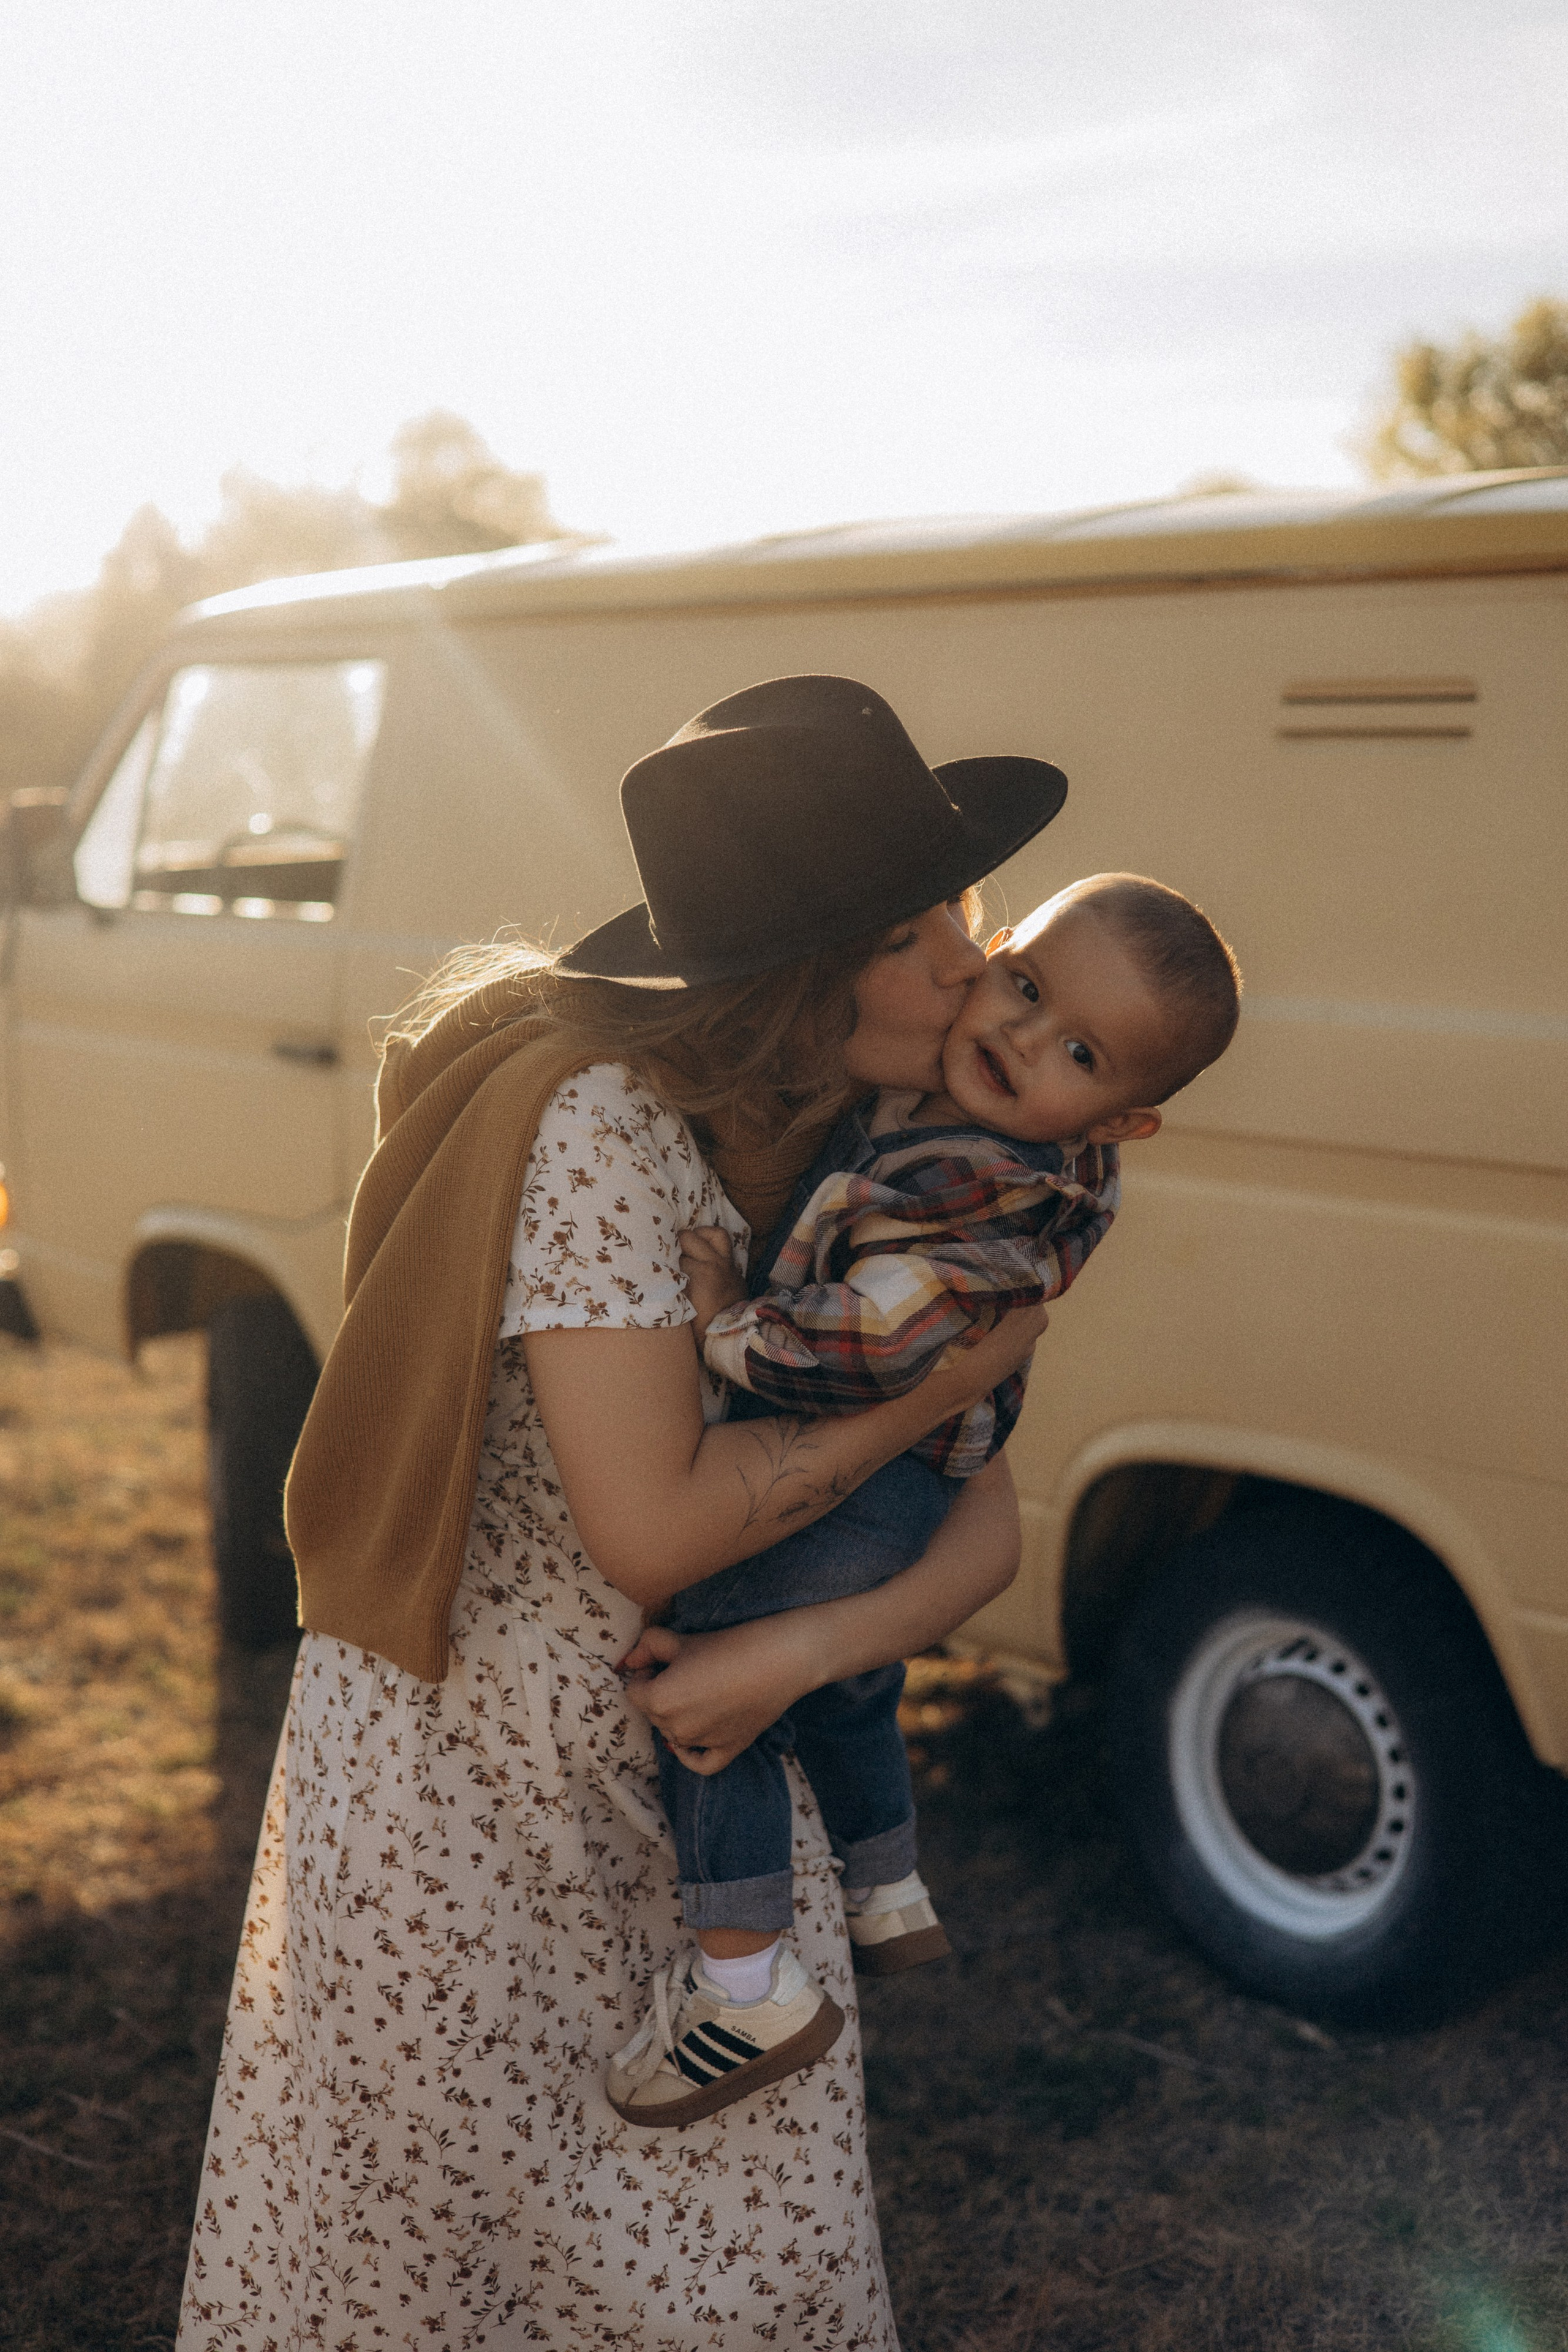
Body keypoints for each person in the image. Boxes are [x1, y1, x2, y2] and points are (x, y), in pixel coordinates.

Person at [177, 674, 1068, 2352]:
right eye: (904, 934)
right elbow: (653, 1535)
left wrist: (800, 1645)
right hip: (484, 1807)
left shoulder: (881, 1153)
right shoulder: (601, 1129)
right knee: (466, 2285)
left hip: (700, 1761)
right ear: (789, 984)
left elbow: (985, 1536)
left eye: (953, 907)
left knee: (740, 2265)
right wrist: (943, 1384)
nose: (966, 960)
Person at [608, 873, 1240, 2128]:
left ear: (1120, 1120)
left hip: (873, 1473)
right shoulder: (951, 1118)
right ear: (999, 951)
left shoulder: (985, 1179)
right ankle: (886, 1886)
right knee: (850, 1680)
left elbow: (873, 1343)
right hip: (900, 1478)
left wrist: (729, 1324)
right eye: (1024, 985)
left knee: (727, 1686)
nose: (1014, 1035)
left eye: (1075, 1050)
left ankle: (741, 1982)